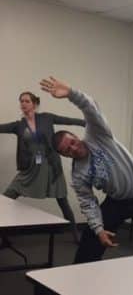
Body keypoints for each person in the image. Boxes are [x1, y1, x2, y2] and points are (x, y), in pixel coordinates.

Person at [39, 77, 133, 263]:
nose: (73, 148)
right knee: (91, 239)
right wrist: (99, 229)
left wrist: (71, 94)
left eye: (72, 142)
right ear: (65, 156)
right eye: (67, 151)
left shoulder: (97, 134)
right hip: (117, 201)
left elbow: (91, 108)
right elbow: (88, 202)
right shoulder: (78, 174)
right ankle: (78, 278)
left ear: (75, 136)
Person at [0, 91, 85, 243]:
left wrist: (87, 122)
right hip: (31, 168)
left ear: (34, 103)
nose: (23, 104)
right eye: (21, 101)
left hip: (52, 167)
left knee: (63, 202)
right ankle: (5, 239)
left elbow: (68, 120)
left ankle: (75, 235)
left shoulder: (47, 117)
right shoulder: (18, 125)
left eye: (26, 101)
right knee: (7, 199)